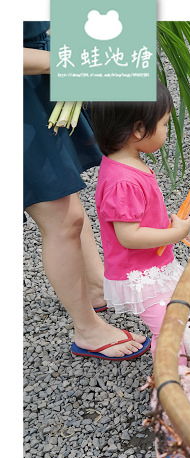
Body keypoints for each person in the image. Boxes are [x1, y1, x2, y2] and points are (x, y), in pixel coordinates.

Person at [23, 21, 150, 361]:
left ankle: (96, 287)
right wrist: (67, 62)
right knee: (63, 219)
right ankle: (87, 329)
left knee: (66, 192)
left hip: (38, 69)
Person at [90, 80, 190, 361]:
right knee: (169, 328)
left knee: (175, 317)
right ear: (137, 129)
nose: (166, 131)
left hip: (151, 266)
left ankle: (178, 371)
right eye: (163, 125)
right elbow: (129, 236)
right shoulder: (123, 180)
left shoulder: (124, 164)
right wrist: (174, 233)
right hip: (138, 274)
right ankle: (172, 384)